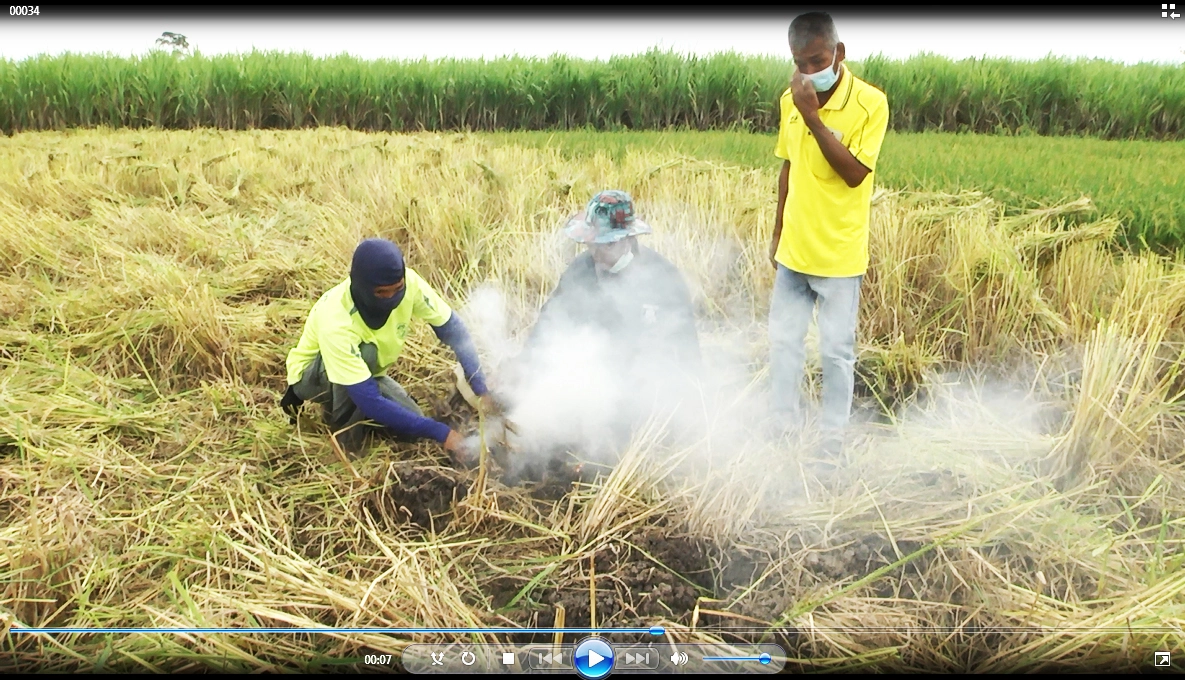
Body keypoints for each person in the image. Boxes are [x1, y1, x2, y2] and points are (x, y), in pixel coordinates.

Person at [500, 190, 703, 482]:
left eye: (603, 246)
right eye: (591, 244)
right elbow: (551, 320)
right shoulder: (581, 269)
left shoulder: (663, 279)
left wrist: (689, 403)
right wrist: (527, 361)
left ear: (627, 239)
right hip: (591, 381)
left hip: (641, 390)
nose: (594, 253)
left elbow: (684, 351)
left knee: (613, 449)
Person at [768, 12, 889, 460]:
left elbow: (855, 173)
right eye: (800, 63)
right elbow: (788, 166)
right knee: (783, 343)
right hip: (794, 251)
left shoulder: (871, 104)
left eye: (817, 60)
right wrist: (778, 233)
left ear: (839, 53)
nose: (809, 73)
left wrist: (814, 118)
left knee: (836, 352)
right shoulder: (789, 100)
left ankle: (832, 440)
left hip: (839, 255)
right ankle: (781, 426)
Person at [279, 237, 495, 464]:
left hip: (367, 373)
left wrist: (481, 388)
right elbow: (369, 399)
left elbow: (453, 329)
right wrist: (443, 433)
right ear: (360, 286)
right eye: (381, 292)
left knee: (412, 426)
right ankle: (344, 438)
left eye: (397, 289)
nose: (391, 298)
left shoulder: (410, 283)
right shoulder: (336, 318)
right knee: (367, 355)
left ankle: (364, 416)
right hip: (312, 375)